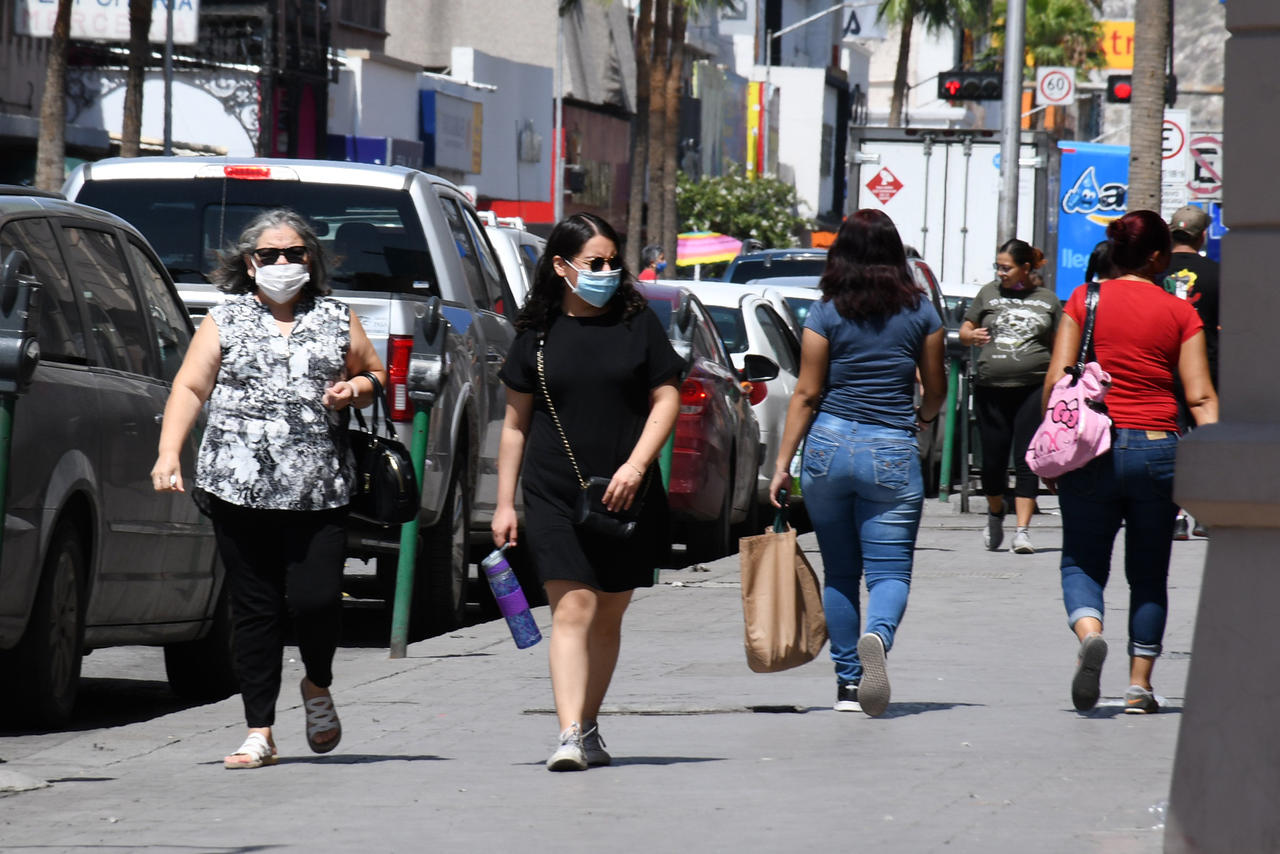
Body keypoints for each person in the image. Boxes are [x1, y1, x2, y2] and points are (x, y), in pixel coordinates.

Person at [151, 209, 386, 769]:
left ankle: (318, 684)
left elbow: (377, 375)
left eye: (294, 253)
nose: (283, 263)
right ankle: (259, 730)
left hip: (319, 489)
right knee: (253, 609)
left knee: (317, 600)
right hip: (238, 487)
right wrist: (168, 453)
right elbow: (190, 385)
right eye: (269, 255)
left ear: (312, 259)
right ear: (249, 263)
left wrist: (354, 389)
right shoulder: (225, 318)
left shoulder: (335, 316)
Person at [492, 213, 683, 770]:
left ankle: (590, 724)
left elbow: (666, 398)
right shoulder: (537, 336)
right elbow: (514, 425)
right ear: (561, 266)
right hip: (553, 490)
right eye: (593, 263)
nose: (605, 272)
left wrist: (636, 466)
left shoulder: (637, 324)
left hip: (628, 493)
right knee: (572, 608)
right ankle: (570, 733)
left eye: (611, 262)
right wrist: (505, 503)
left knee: (609, 613)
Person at [768, 209, 945, 717]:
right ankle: (878, 638)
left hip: (827, 445)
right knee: (889, 573)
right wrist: (923, 419)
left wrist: (783, 464)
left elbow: (806, 392)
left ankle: (848, 685)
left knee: (840, 572)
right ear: (895, 253)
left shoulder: (824, 313)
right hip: (890, 445)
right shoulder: (922, 314)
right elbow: (934, 389)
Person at [1042, 209, 1217, 716]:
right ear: (1158, 257)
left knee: (1080, 558)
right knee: (1149, 571)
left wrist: (1052, 450)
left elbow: (1057, 381)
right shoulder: (1181, 313)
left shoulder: (1083, 299)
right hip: (1159, 448)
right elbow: (1201, 397)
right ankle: (1139, 686)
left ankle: (1090, 631)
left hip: (1090, 447)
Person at [958, 239, 1061, 554]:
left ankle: (1022, 531)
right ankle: (995, 510)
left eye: (1007, 267)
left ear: (1025, 268)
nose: (1001, 272)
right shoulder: (988, 294)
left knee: (1027, 459)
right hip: (991, 390)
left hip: (1032, 389)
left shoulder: (1047, 300)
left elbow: (1061, 344)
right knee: (992, 465)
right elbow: (964, 329)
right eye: (998, 267)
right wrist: (969, 336)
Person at [1163, 205, 1220, 540]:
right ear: (1202, 236)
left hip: (1163, 367)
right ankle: (1203, 514)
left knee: (1171, 441)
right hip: (1207, 370)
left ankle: (1174, 515)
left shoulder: (1155, 271)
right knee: (1207, 442)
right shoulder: (1216, 273)